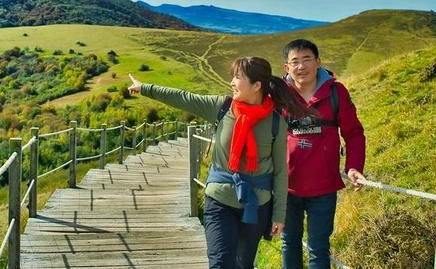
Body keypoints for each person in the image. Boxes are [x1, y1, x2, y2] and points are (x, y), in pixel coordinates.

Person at [128, 56, 312, 269]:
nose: (231, 82)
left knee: (244, 265)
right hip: (219, 201)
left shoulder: (275, 123)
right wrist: (144, 88)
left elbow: (281, 172)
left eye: (237, 77)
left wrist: (279, 215)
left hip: (256, 206)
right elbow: (183, 98)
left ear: (256, 85)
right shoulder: (222, 107)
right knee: (221, 264)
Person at [280, 39, 366, 269]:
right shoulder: (278, 96)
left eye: (307, 59)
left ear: (318, 62)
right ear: (286, 68)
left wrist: (354, 167)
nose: (301, 66)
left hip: (324, 187)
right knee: (289, 243)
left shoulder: (336, 92)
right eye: (294, 61)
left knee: (319, 249)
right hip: (286, 187)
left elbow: (354, 133)